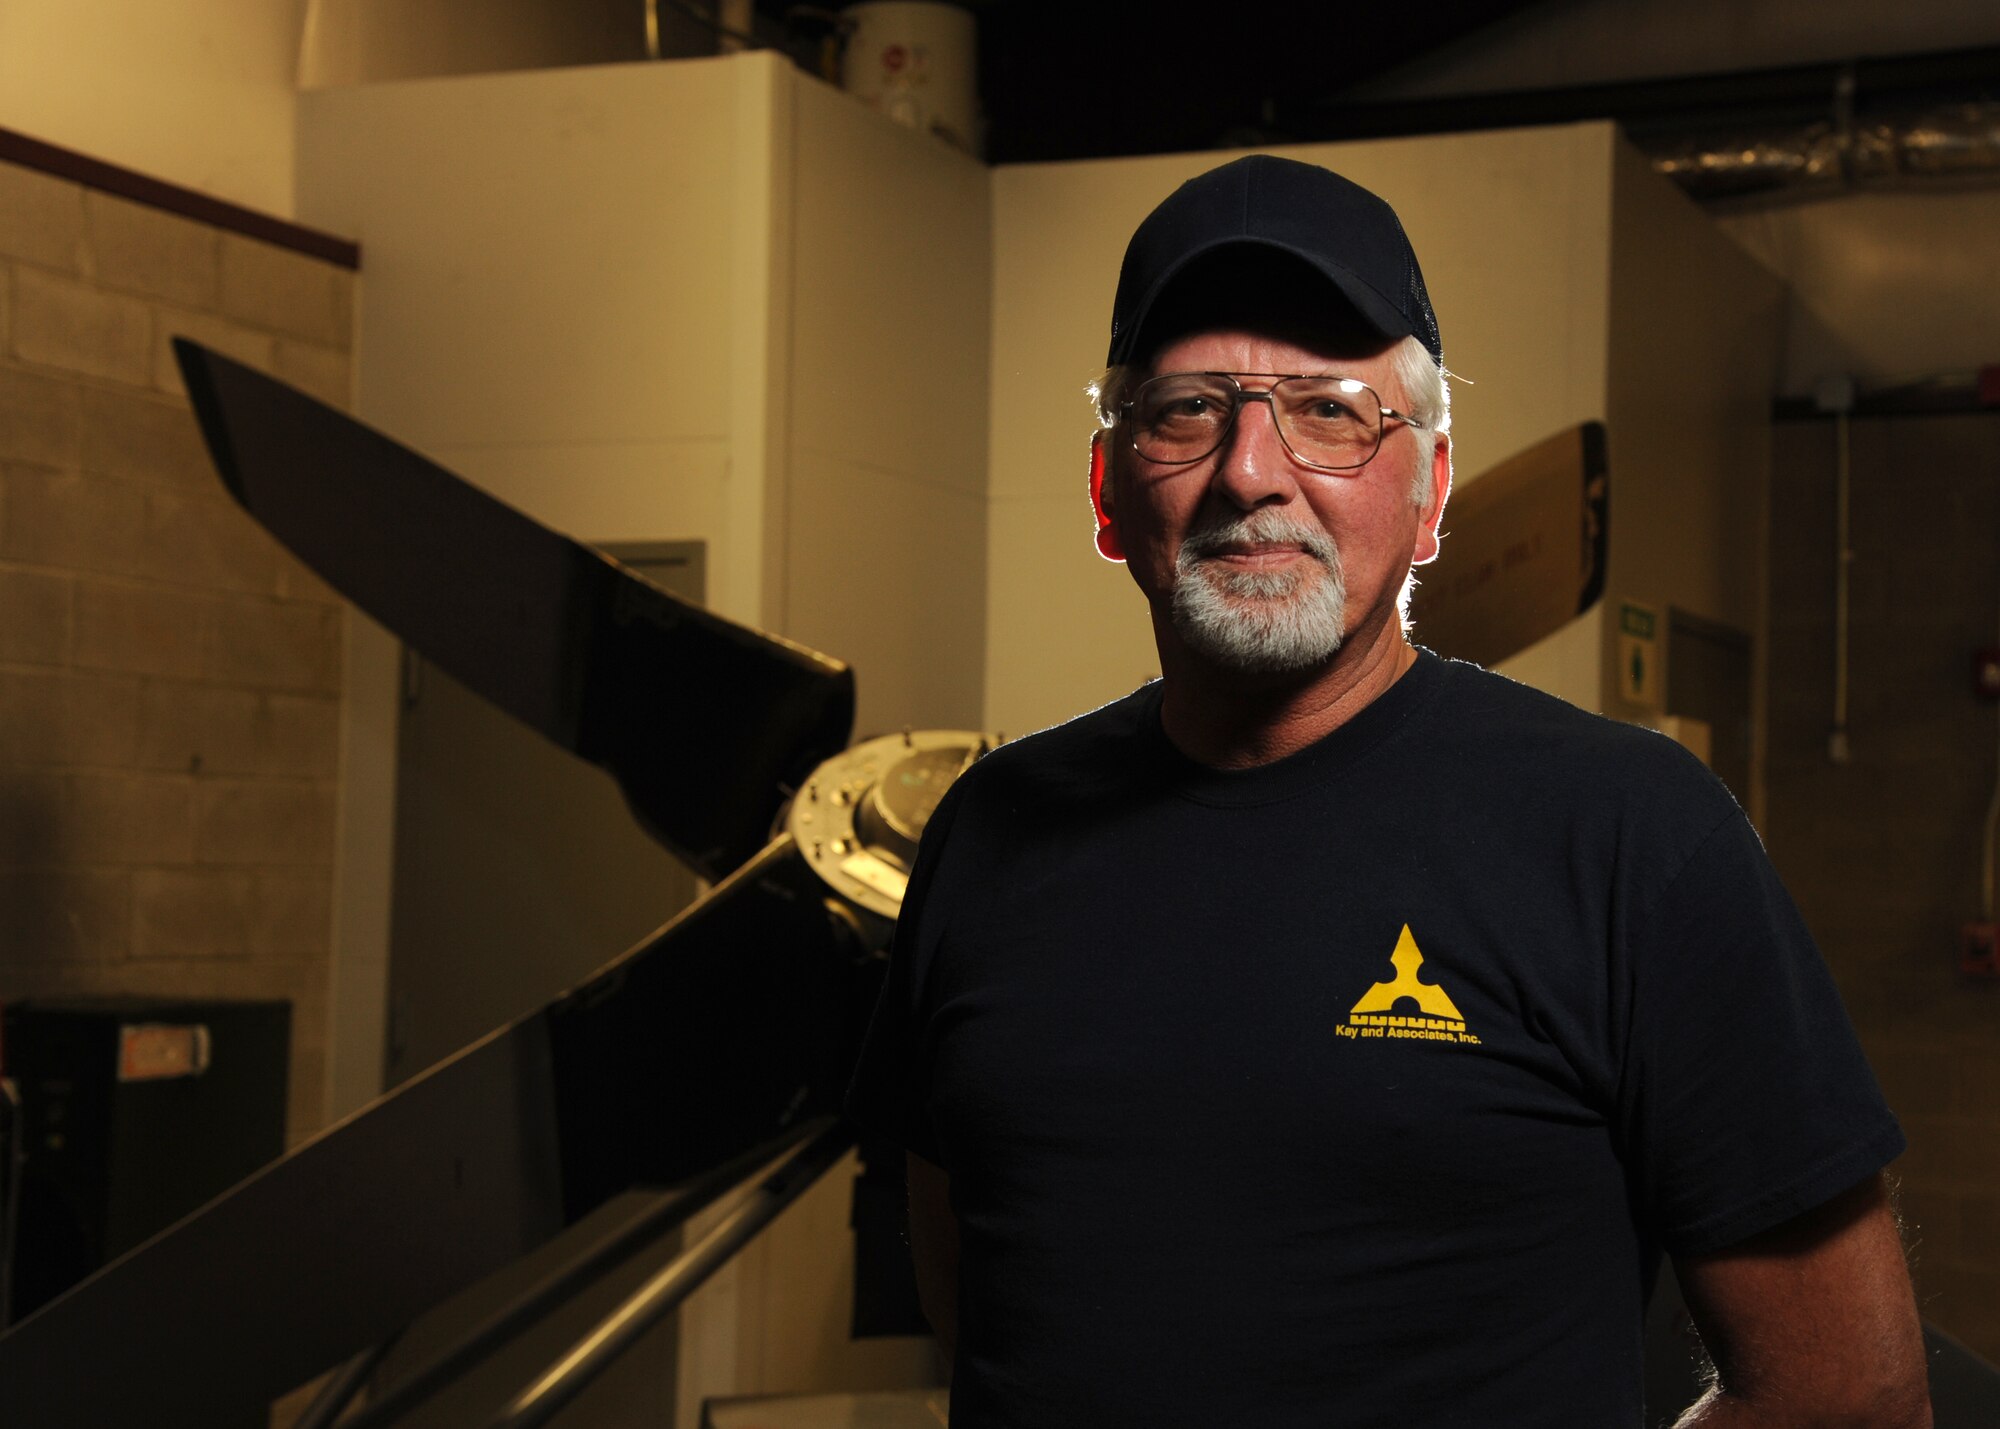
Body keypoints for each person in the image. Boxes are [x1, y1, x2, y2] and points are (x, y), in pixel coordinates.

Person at [847, 154, 1928, 1427]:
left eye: (1330, 410)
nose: (1251, 470)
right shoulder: (988, 834)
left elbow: (1844, 1398)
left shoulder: (1631, 837)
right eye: (1188, 409)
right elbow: (976, 1304)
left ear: (1428, 496)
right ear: (1105, 491)